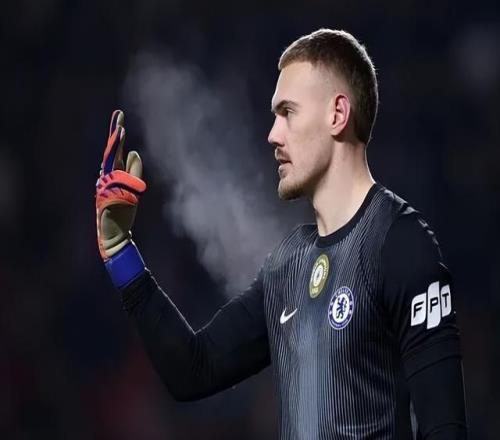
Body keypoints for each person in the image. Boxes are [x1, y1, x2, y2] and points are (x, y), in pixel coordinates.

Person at [95, 29, 467, 439]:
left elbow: (445, 429)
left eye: (288, 112)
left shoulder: (400, 243)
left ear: (337, 114)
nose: (273, 134)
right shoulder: (287, 266)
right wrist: (121, 252)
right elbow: (192, 370)